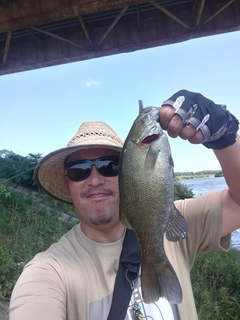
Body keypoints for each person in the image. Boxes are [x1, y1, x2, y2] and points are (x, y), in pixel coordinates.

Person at [9, 90, 240, 320]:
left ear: (125, 173)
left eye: (109, 165)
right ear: (67, 184)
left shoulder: (173, 216)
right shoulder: (49, 272)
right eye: (79, 170)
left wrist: (225, 135)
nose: (95, 179)